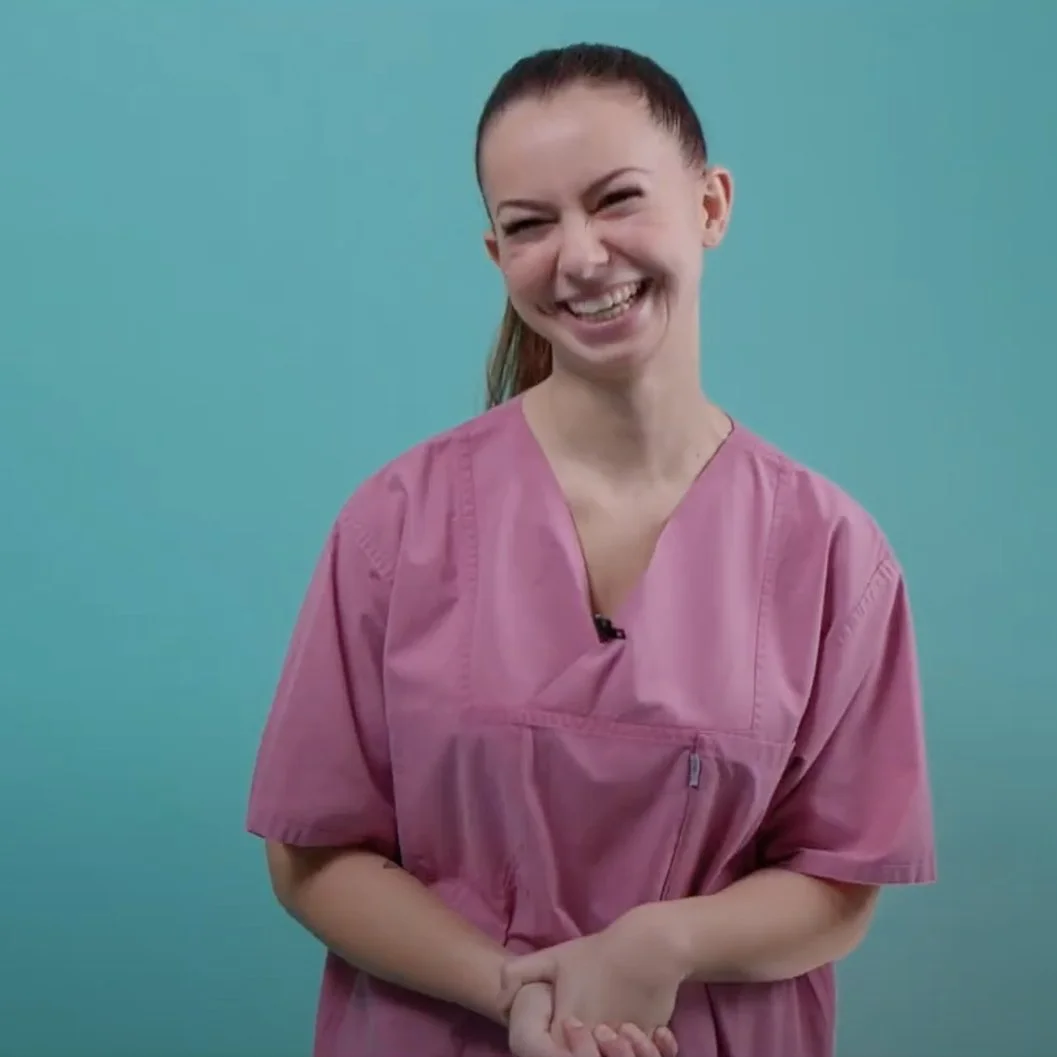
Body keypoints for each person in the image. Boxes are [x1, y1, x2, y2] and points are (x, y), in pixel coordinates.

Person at [246, 42, 936, 1057]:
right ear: (496, 254)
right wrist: (510, 991)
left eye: (616, 200)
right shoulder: (397, 522)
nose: (579, 256)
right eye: (531, 224)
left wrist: (663, 943)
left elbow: (840, 880)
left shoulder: (832, 553)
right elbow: (310, 854)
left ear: (710, 205)